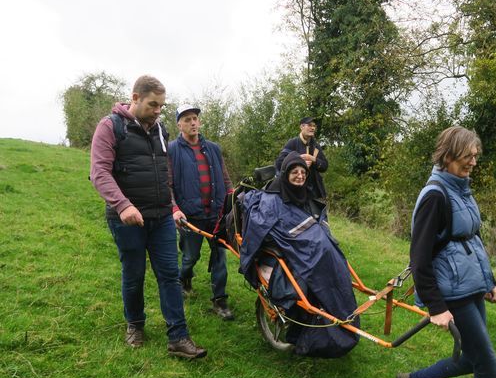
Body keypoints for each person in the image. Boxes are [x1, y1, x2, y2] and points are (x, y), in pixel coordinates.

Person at [395, 126, 496, 378]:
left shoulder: (461, 188)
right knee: (488, 367)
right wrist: (436, 307)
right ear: (449, 154)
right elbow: (419, 258)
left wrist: (489, 282)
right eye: (468, 155)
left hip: (470, 285)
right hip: (451, 294)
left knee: (472, 360)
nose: (473, 161)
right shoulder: (435, 196)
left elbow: (472, 239)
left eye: (475, 156)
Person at [90, 75, 206, 360]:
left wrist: (174, 206)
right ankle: (135, 324)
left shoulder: (160, 130)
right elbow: (100, 173)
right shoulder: (110, 126)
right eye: (153, 104)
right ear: (135, 97)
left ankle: (178, 337)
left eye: (161, 106)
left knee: (169, 275)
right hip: (127, 218)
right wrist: (123, 205)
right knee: (134, 274)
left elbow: (165, 177)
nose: (157, 111)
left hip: (162, 216)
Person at [240, 152, 359, 357]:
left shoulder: (305, 194)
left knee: (335, 263)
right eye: (294, 172)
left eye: (303, 172)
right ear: (285, 174)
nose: (300, 176)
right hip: (304, 251)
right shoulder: (271, 200)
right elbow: (260, 227)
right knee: (323, 263)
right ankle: (323, 330)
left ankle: (342, 321)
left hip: (318, 249)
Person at [169, 104, 235, 320]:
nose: (193, 122)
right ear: (179, 124)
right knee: (190, 257)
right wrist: (175, 208)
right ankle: (184, 278)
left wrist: (233, 198)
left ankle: (219, 301)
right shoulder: (172, 150)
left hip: (216, 215)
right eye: (187, 119)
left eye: (195, 118)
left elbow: (224, 178)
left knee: (220, 257)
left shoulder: (213, 148)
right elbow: (167, 184)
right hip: (190, 217)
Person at [275, 117, 328, 201]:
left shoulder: (316, 146)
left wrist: (314, 160)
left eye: (314, 126)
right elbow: (279, 164)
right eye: (310, 125)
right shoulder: (292, 143)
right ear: (301, 127)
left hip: (314, 193)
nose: (313, 128)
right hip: (295, 192)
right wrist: (299, 163)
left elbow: (325, 166)